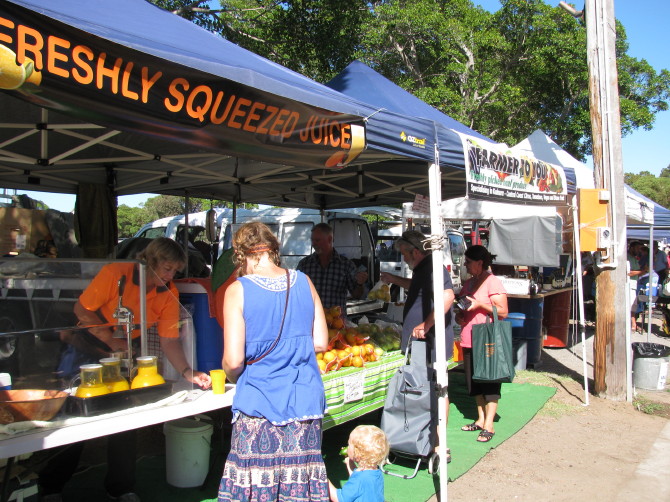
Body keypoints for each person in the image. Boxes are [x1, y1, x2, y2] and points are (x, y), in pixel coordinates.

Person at [39, 237, 211, 502]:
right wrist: (109, 339)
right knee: (74, 419)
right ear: (149, 261)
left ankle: (121, 488)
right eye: (167, 268)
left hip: (125, 350)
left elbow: (169, 339)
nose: (171, 275)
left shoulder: (169, 293)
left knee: (126, 417)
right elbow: (82, 310)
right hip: (88, 344)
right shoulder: (115, 274)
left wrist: (188, 371)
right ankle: (51, 487)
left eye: (175, 270)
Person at [218, 222, 330, 501]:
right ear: (274, 250)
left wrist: (235, 378)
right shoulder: (304, 280)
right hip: (305, 401)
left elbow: (233, 361)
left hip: (259, 403)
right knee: (299, 484)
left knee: (255, 485)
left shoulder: (238, 290)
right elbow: (320, 343)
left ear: (240, 254)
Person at [380, 230, 455, 461]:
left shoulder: (434, 266)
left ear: (415, 251)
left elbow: (448, 296)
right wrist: (394, 280)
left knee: (437, 389)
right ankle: (421, 436)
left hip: (431, 343)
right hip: (421, 343)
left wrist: (426, 324)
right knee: (422, 390)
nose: (403, 258)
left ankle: (438, 442)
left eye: (404, 253)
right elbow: (418, 287)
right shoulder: (423, 269)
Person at [455, 245, 508, 443]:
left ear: (479, 262)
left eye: (468, 262)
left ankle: (489, 425)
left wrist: (480, 305)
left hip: (487, 337)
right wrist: (460, 315)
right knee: (474, 381)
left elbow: (502, 311)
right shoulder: (468, 284)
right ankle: (480, 418)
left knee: (489, 381)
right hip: (469, 337)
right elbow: (463, 308)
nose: (465, 265)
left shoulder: (492, 282)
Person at [297, 223, 368, 315]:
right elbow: (296, 293)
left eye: (317, 240)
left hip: (336, 324)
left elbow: (357, 295)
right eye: (312, 240)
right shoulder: (304, 264)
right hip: (311, 321)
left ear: (330, 239)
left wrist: (360, 283)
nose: (313, 244)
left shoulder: (345, 265)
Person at [328, 425, 389, 502]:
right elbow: (356, 476)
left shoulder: (359, 480)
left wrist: (325, 481)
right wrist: (349, 462)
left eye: (349, 445)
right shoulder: (376, 473)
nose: (347, 447)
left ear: (357, 453)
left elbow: (340, 499)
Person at [628, 241, 646, 333]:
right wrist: (642, 271)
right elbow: (628, 272)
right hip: (628, 284)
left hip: (634, 284)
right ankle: (632, 324)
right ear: (632, 248)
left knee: (633, 305)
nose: (639, 250)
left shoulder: (634, 258)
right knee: (631, 305)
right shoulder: (627, 258)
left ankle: (633, 323)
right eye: (638, 248)